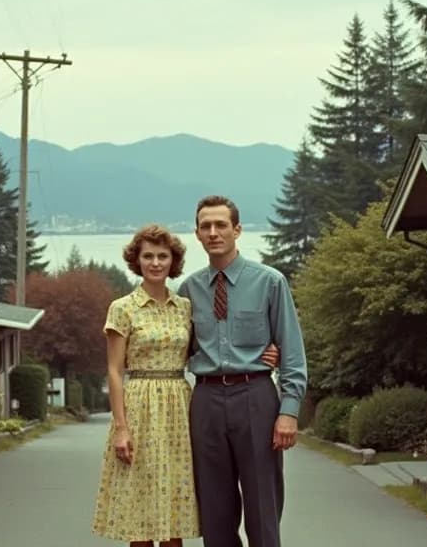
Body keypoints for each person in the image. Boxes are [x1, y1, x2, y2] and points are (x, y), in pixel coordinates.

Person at [91, 224, 278, 547]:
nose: (155, 263)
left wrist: (263, 352)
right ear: (136, 260)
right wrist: (121, 427)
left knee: (174, 501)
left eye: (162, 256)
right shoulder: (122, 308)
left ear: (172, 261)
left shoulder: (185, 307)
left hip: (179, 408)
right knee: (142, 504)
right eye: (147, 256)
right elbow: (113, 369)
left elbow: (211, 346)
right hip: (140, 406)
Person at [177, 195, 307, 547]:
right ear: (197, 234)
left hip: (256, 397)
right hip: (205, 400)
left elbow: (293, 352)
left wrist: (289, 412)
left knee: (263, 505)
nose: (214, 232)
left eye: (221, 225)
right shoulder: (188, 290)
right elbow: (176, 350)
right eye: (206, 226)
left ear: (237, 230)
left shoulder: (270, 282)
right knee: (215, 511)